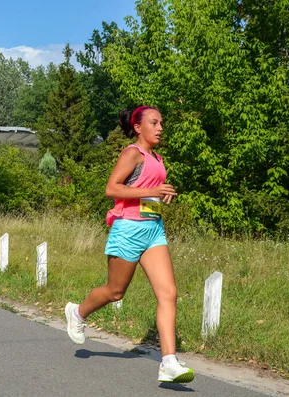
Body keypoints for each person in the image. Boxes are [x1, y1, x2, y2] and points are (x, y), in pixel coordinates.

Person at [64, 106, 195, 384]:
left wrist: (163, 193)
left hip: (153, 230)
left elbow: (148, 190)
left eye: (161, 123)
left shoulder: (157, 158)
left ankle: (168, 362)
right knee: (115, 292)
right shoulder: (131, 153)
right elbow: (112, 188)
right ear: (138, 127)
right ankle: (77, 312)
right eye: (154, 123)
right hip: (128, 230)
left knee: (168, 293)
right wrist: (152, 190)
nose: (160, 127)